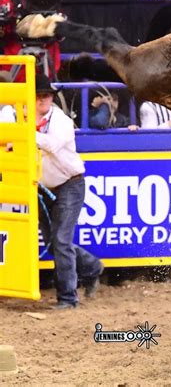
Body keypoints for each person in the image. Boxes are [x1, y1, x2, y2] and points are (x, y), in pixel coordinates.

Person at [35, 74, 103, 308]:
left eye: (47, 95)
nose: (44, 100)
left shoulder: (61, 121)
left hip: (69, 184)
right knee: (55, 243)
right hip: (42, 187)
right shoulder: (17, 116)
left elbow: (52, 144)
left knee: (61, 240)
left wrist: (23, 135)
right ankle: (92, 267)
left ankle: (67, 298)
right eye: (39, 96)